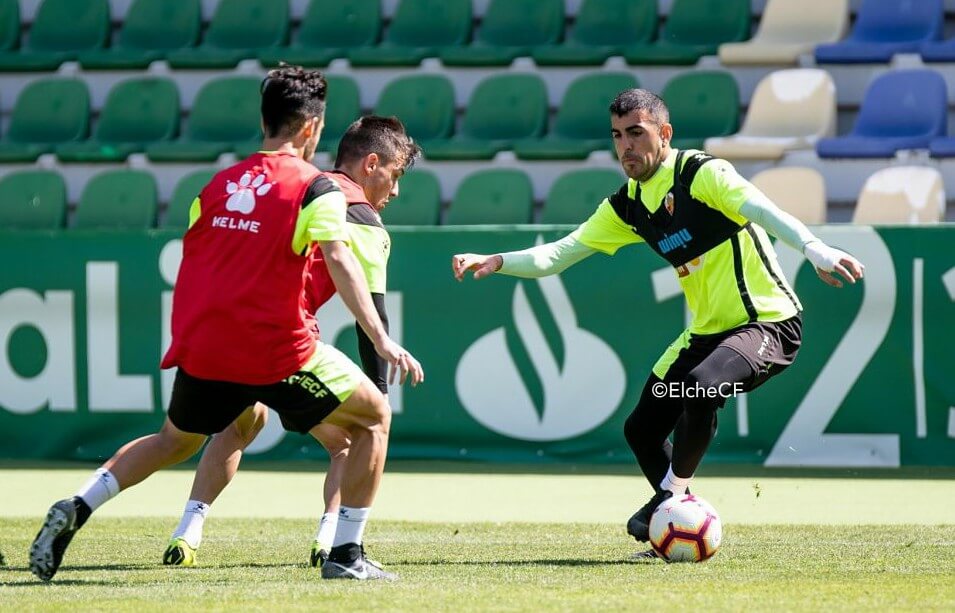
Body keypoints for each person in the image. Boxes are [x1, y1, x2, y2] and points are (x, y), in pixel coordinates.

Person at [29, 66, 423, 582]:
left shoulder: (217, 184)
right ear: (311, 130)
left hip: (205, 343)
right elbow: (339, 258)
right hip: (277, 346)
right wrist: (381, 339)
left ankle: (81, 504)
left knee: (176, 439)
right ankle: (345, 555)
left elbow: (196, 256)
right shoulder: (319, 188)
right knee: (371, 418)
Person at [451, 89, 864, 556]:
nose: (625, 146)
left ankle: (667, 499)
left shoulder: (699, 174)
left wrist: (815, 250)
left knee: (700, 388)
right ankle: (676, 513)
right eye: (616, 136)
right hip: (707, 332)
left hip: (768, 324)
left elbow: (762, 209)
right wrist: (499, 260)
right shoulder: (627, 206)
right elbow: (558, 254)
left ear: (664, 134)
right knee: (641, 429)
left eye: (636, 133)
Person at [161, 115, 419, 571]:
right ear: (371, 164)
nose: (395, 191)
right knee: (351, 437)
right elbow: (372, 312)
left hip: (232, 332)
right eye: (395, 176)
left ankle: (187, 532)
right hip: (288, 344)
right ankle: (333, 544)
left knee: (237, 426)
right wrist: (378, 391)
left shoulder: (302, 188)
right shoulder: (363, 218)